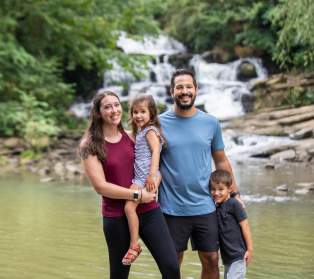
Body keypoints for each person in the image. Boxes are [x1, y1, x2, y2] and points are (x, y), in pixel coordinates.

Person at [79, 90, 180, 279]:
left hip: (149, 210)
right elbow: (100, 186)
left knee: (171, 268)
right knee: (119, 275)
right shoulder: (90, 144)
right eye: (107, 107)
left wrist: (154, 182)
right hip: (116, 217)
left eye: (117, 105)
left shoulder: (132, 136)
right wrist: (137, 195)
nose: (114, 110)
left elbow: (154, 163)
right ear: (98, 112)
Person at [159, 69, 241, 279]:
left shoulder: (211, 123)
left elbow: (221, 160)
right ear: (171, 91)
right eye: (179, 87)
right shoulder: (157, 124)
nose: (184, 91)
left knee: (212, 260)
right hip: (171, 208)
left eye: (188, 86)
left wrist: (235, 193)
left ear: (196, 90)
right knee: (172, 263)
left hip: (206, 206)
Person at [123, 94, 164, 265]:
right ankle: (135, 241)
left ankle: (134, 244)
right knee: (131, 208)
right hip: (142, 175)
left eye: (142, 112)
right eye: (135, 112)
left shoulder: (149, 131)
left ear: (152, 114)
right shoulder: (141, 131)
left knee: (128, 207)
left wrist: (151, 175)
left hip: (144, 177)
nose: (138, 115)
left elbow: (156, 151)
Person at [210, 169, 253, 279]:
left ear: (229, 189)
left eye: (220, 189)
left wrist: (250, 249)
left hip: (238, 256)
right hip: (227, 258)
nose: (216, 193)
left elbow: (245, 226)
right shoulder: (216, 208)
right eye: (213, 189)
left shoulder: (234, 204)